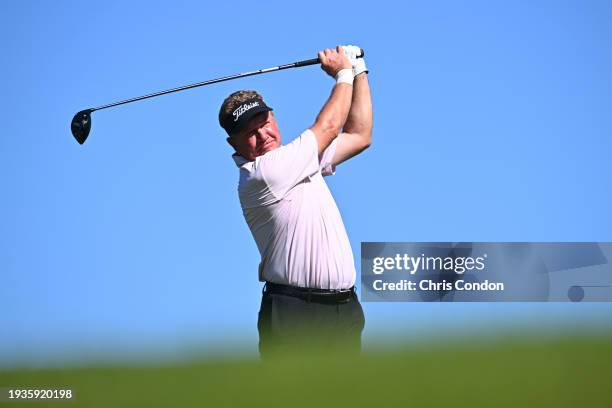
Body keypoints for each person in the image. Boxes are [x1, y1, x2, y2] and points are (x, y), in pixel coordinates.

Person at [218, 45, 372, 357]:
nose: (262, 135)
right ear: (233, 144)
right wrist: (342, 73)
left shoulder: (299, 158)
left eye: (264, 122)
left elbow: (359, 134)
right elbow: (329, 127)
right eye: (249, 132)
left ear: (273, 117)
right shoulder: (261, 173)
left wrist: (359, 70)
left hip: (344, 309)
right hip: (294, 312)